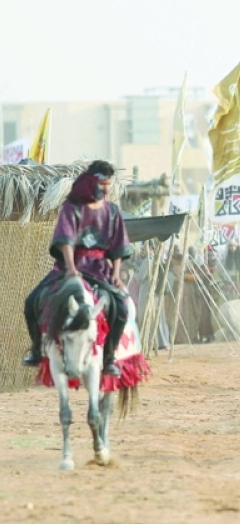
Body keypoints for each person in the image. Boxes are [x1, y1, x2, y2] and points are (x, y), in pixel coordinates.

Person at [22, 160, 133, 376]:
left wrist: (117, 275)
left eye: (108, 184)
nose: (106, 189)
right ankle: (37, 349)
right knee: (31, 302)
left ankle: (109, 357)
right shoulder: (71, 207)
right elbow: (66, 240)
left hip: (100, 269)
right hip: (68, 267)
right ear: (91, 182)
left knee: (121, 307)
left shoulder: (112, 211)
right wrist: (71, 267)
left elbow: (118, 246)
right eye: (102, 184)